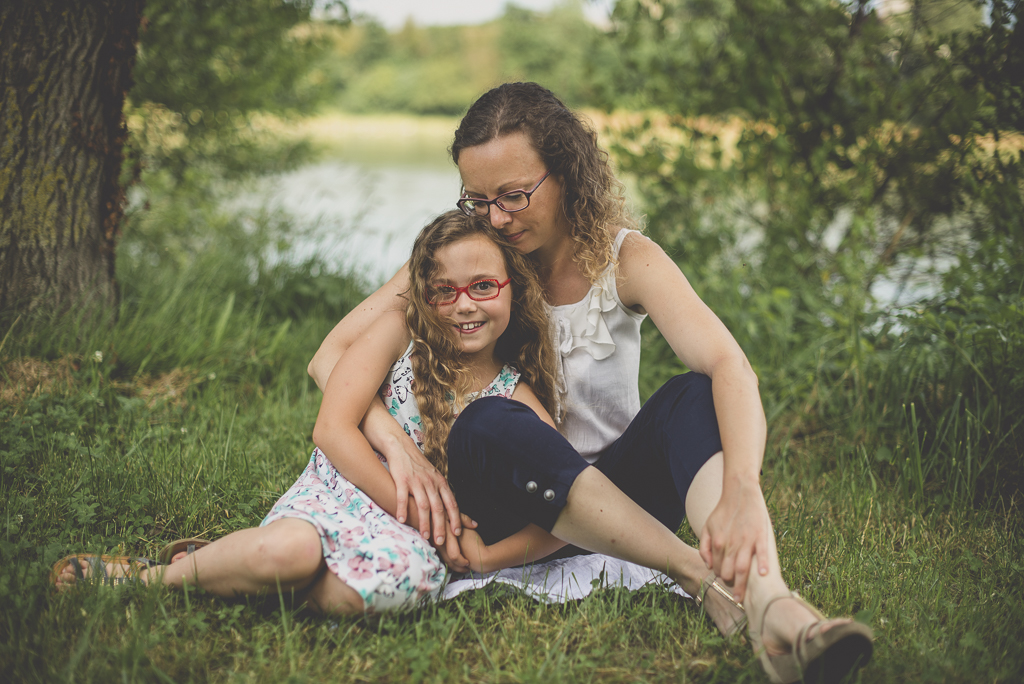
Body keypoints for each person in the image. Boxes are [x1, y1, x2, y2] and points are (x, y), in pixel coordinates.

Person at [307, 83, 874, 682]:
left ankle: (774, 608)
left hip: (619, 512)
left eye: (515, 195)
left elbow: (731, 366)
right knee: (493, 419)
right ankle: (700, 575)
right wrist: (396, 446)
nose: (497, 217)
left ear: (567, 174)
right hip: (500, 506)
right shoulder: (472, 259)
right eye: (478, 199)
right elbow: (329, 357)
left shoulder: (626, 259)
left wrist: (744, 485)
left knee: (692, 393)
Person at [51, 211, 565, 613]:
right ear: (425, 299)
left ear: (511, 288)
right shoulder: (399, 335)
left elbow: (564, 511)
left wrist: (486, 557)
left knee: (388, 591)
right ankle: (147, 578)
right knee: (290, 555)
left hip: (406, 539)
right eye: (443, 292)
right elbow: (331, 428)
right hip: (341, 490)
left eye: (482, 286)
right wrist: (433, 523)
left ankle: (226, 567)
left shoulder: (514, 398)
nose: (464, 305)